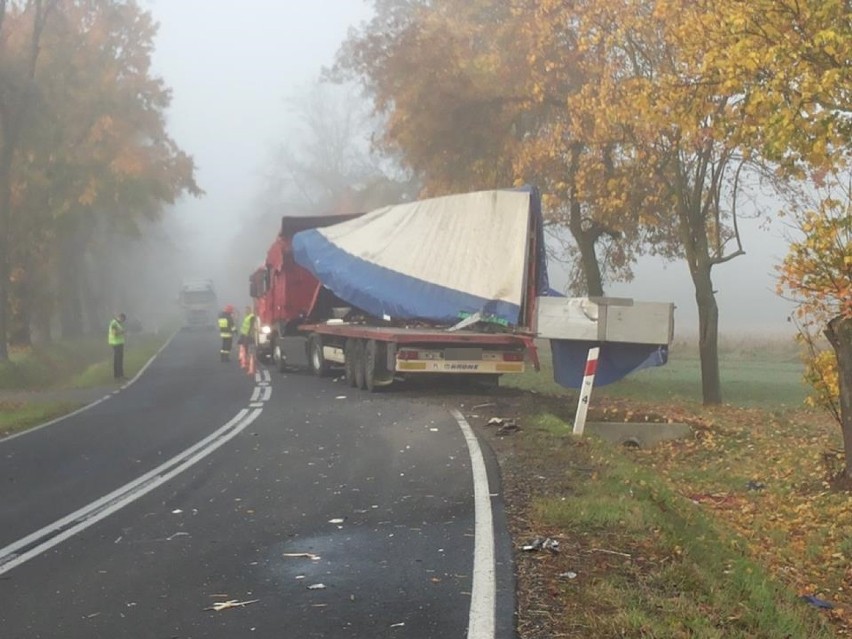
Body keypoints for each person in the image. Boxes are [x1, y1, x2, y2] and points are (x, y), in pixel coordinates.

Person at [108, 312, 127, 380]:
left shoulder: (118, 323)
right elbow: (114, 333)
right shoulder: (114, 323)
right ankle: (120, 375)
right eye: (123, 319)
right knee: (119, 360)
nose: (123, 321)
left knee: (117, 359)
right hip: (116, 343)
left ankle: (117, 375)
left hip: (118, 343)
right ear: (120, 317)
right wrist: (122, 332)